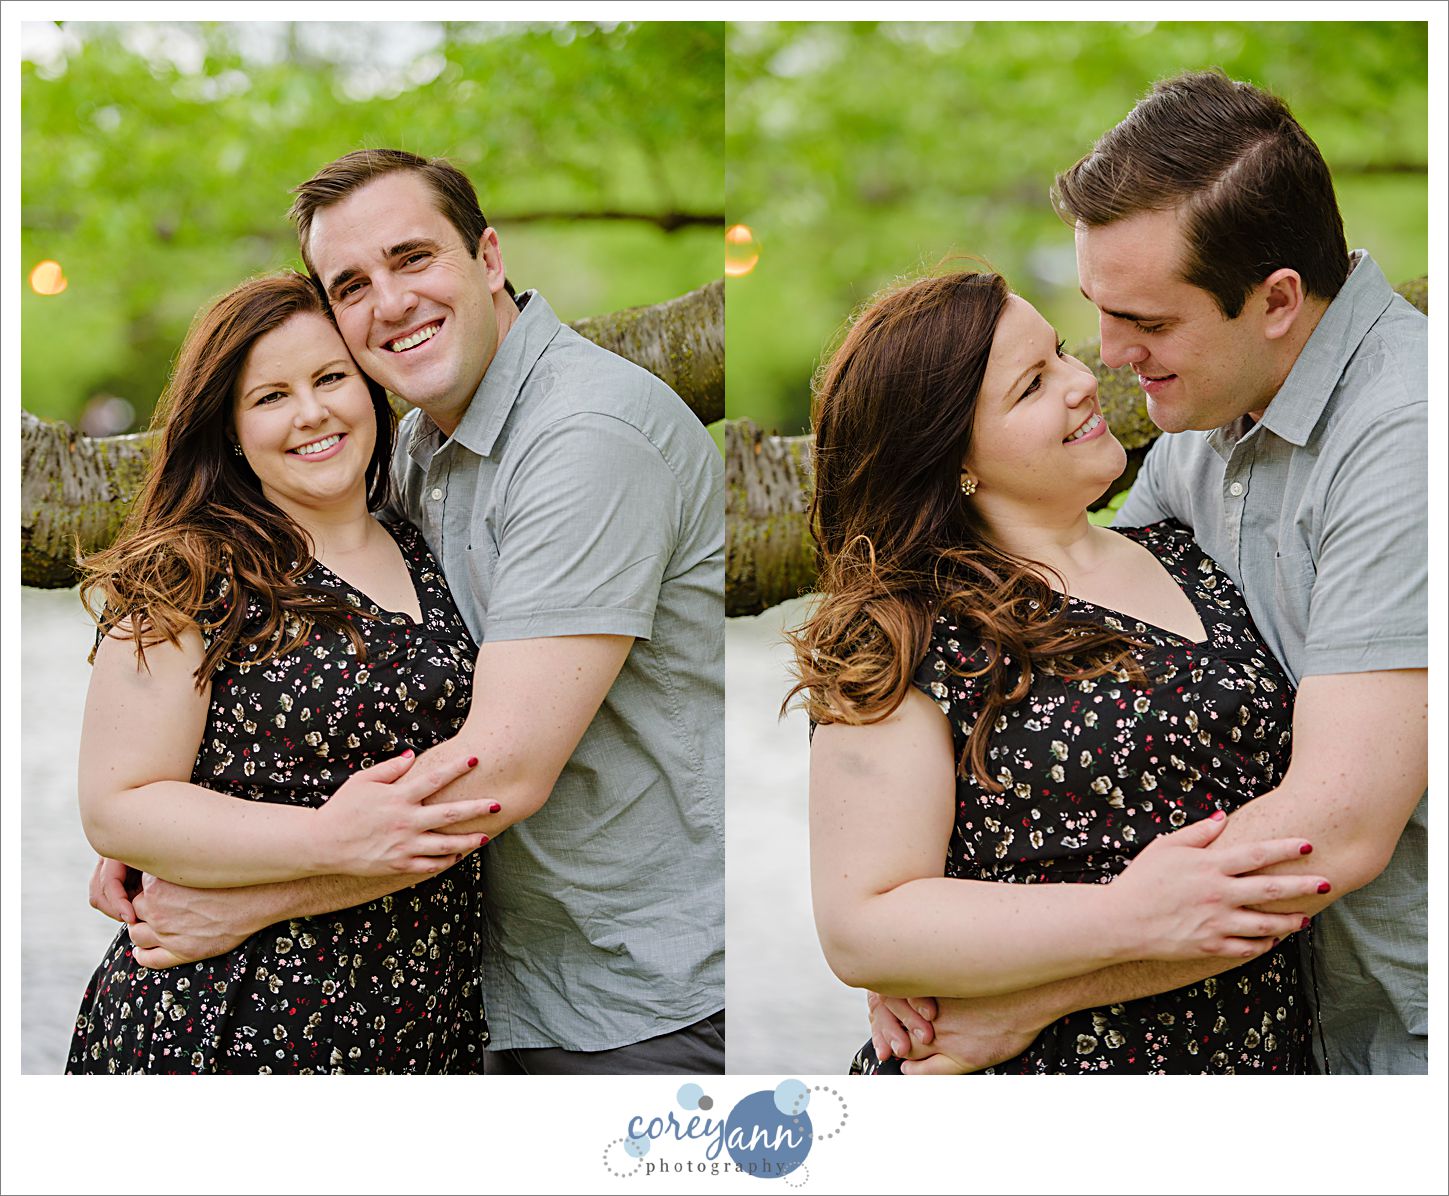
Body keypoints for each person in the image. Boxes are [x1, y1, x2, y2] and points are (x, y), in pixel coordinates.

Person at [89, 150, 726, 1075]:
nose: (389, 303)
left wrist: (252, 894)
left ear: (489, 257)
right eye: (352, 284)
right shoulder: (422, 446)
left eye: (412, 258)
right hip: (470, 989)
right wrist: (174, 837)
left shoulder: (586, 438)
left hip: (623, 998)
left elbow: (496, 771)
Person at [872, 70, 1426, 1075]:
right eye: (1097, 309)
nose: (1110, 357)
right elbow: (1096, 687)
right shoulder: (1202, 426)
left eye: (1150, 323)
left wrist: (1030, 994)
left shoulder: (1408, 441)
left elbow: (1332, 832)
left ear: (1277, 301)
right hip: (1303, 1020)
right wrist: (933, 935)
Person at [792, 269, 1337, 1073]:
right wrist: (1124, 918)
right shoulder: (902, 632)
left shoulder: (1189, 548)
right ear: (950, 457)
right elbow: (864, 925)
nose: (1085, 382)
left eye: (1059, 353)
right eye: (1032, 386)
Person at [69, 272, 498, 1073]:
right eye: (270, 396)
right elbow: (118, 806)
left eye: (331, 378)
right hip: (231, 1012)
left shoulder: (429, 541)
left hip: (422, 1015)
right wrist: (325, 838)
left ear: (372, 390)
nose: (312, 413)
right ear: (229, 428)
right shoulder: (186, 571)